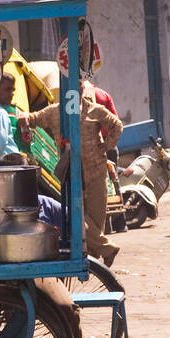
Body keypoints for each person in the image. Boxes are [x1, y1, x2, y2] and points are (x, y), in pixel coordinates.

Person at [21, 80, 123, 266]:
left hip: (96, 170)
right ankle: (106, 249)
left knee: (96, 219)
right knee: (76, 215)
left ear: (83, 92)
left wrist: (106, 146)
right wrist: (24, 121)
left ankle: (93, 255)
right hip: (71, 172)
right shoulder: (55, 112)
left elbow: (117, 125)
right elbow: (32, 118)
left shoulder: (95, 110)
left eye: (79, 90)